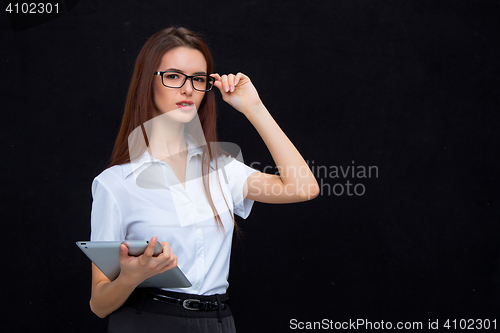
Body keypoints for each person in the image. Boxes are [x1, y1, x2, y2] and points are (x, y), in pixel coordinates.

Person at [88, 27, 319, 333]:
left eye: (198, 79)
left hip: (217, 321)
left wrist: (253, 108)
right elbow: (99, 304)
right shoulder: (116, 183)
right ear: (148, 82)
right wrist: (132, 275)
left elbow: (304, 188)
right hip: (147, 321)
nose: (188, 89)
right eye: (173, 76)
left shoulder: (223, 169)